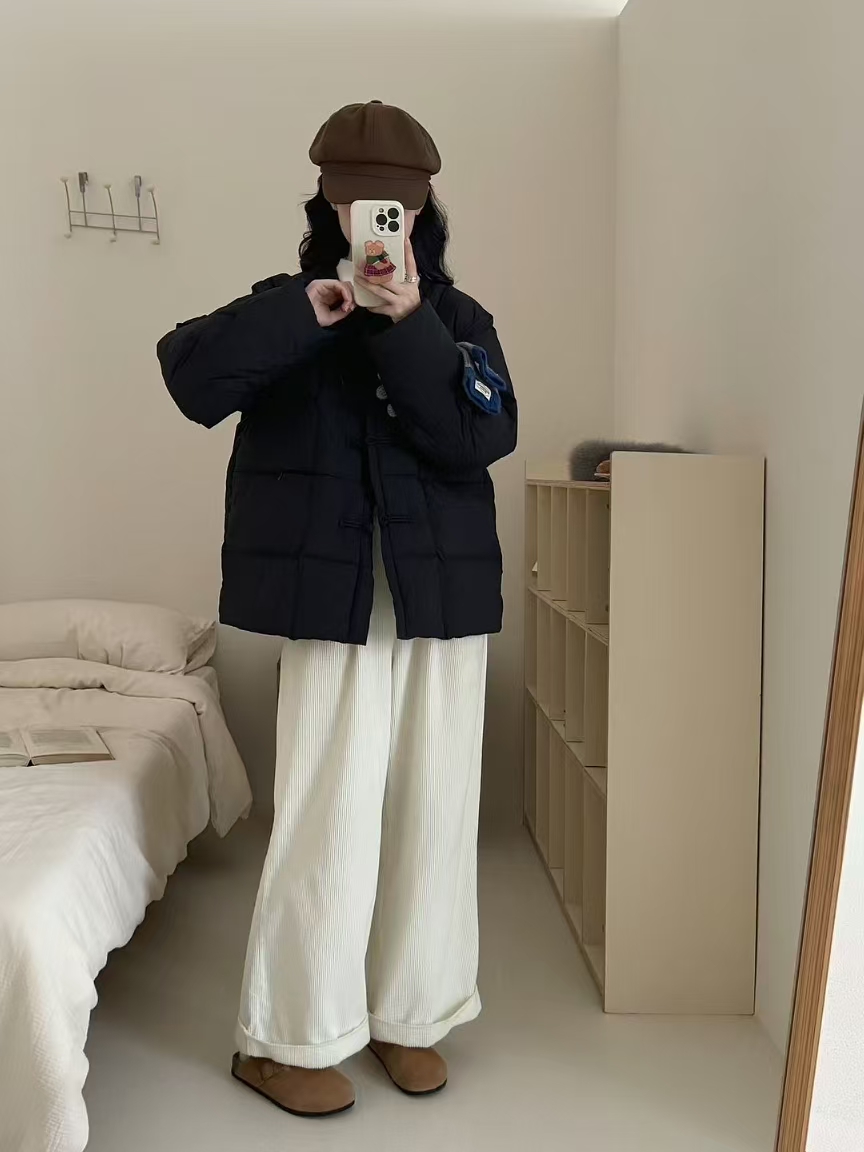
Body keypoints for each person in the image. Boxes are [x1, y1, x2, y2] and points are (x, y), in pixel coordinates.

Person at [157, 100, 517, 1119]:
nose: (376, 222)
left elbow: (482, 438)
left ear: (423, 208)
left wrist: (409, 323)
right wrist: (308, 313)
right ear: (326, 200)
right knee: (330, 812)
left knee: (435, 812)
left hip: (441, 597)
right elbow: (191, 377)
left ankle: (414, 1014)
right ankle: (286, 1038)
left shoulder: (459, 319)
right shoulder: (288, 306)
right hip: (336, 600)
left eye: (393, 206)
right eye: (360, 203)